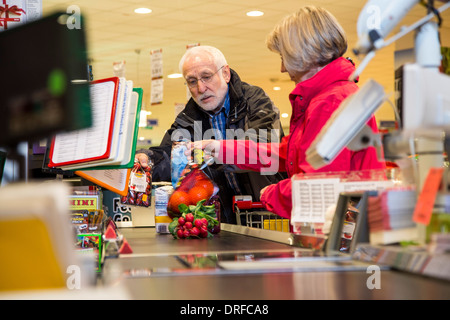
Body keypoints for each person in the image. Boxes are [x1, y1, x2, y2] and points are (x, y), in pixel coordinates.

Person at [191, 6, 386, 220]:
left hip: (343, 235)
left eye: (284, 56)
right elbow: (289, 154)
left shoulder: (331, 101)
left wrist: (271, 194)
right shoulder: (326, 97)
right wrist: (221, 149)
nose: (283, 68)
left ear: (303, 54)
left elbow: (319, 188)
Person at [136, 45, 286, 224]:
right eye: (192, 81)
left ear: (225, 74)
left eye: (206, 77)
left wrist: (217, 152)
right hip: (223, 222)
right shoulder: (188, 118)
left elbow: (262, 148)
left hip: (268, 214)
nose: (201, 87)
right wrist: (148, 158)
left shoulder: (255, 101)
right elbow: (171, 154)